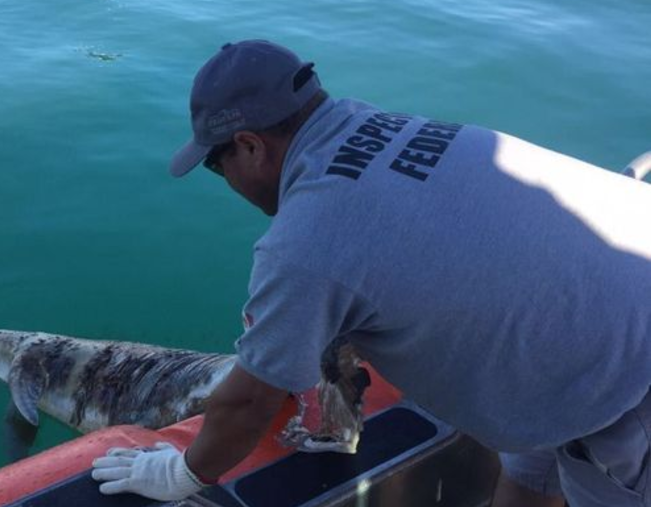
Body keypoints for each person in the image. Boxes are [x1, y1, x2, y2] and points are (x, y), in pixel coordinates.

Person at [90, 40, 651, 507]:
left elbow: (249, 404)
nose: (226, 179)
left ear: (250, 144)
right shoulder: (392, 126)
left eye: (217, 165)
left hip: (627, 382)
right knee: (528, 475)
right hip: (594, 301)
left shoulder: (305, 239)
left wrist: (181, 473)